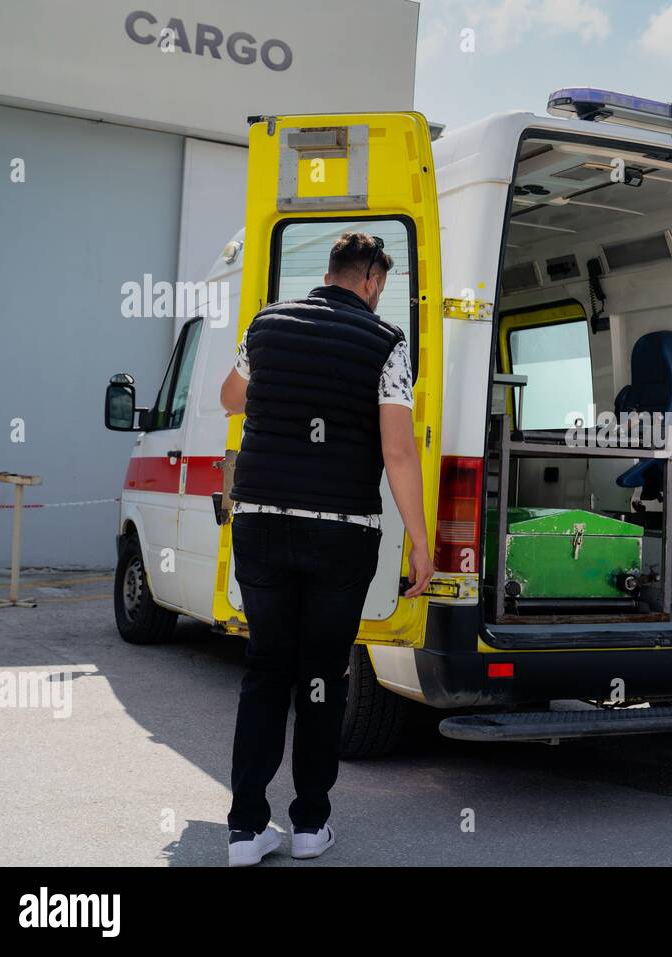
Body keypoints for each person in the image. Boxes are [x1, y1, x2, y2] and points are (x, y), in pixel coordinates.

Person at [218, 232, 433, 866]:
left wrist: (286, 395)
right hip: (340, 531)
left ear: (329, 271)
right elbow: (397, 451)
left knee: (264, 672)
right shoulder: (387, 343)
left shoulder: (266, 324)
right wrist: (421, 543)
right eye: (381, 285)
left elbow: (230, 398)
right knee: (320, 677)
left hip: (260, 521)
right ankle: (310, 825)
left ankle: (244, 831)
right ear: (369, 280)